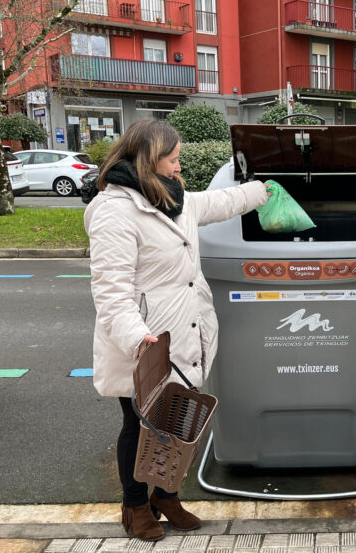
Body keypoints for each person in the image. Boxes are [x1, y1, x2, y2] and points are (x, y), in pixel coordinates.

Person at [84, 119, 268, 542]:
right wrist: (138, 339)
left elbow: (218, 202)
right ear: (150, 161)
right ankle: (134, 506)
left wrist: (262, 190)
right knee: (140, 424)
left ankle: (166, 496)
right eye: (173, 159)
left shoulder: (171, 198)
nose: (178, 166)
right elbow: (111, 292)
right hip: (146, 339)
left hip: (185, 330)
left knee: (179, 421)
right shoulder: (115, 211)